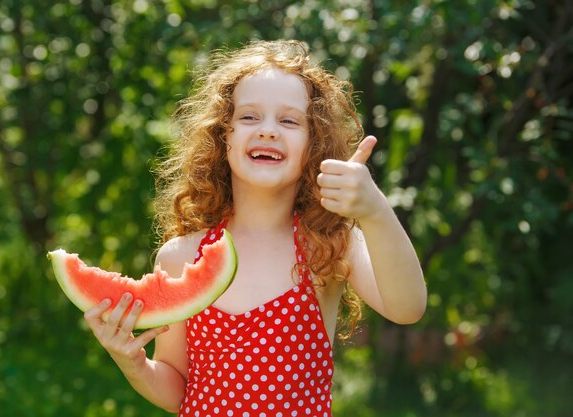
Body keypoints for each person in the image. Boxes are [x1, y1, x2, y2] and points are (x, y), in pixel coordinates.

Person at [83, 40, 427, 416]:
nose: (267, 131)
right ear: (223, 136)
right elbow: (178, 388)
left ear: (314, 144)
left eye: (289, 120)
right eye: (249, 117)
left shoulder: (329, 244)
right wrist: (132, 361)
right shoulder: (181, 256)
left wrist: (374, 210)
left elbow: (407, 308)